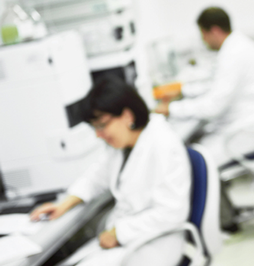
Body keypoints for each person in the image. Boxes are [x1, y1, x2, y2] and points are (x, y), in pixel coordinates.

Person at [30, 76, 191, 266]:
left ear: (127, 116)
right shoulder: (123, 145)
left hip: (154, 243)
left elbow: (171, 213)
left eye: (101, 126)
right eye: (94, 128)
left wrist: (119, 232)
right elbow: (97, 176)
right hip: (127, 240)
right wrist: (64, 204)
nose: (98, 135)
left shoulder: (163, 144)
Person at [155, 6, 254, 168]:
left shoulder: (233, 54)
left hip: (247, 132)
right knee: (193, 147)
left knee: (192, 163)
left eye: (203, 35)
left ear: (215, 31)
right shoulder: (235, 45)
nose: (203, 41)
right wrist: (182, 91)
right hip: (245, 124)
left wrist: (171, 109)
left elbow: (213, 106)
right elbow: (214, 85)